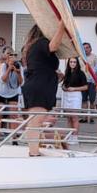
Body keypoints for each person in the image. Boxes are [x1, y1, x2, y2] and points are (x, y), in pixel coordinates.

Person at [21, 24, 65, 157]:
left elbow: (42, 67)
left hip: (39, 84)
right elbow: (54, 46)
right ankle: (33, 152)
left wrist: (55, 76)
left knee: (37, 119)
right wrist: (62, 25)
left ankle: (34, 150)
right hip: (39, 86)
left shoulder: (34, 46)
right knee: (36, 120)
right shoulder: (41, 43)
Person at [0, 48, 23, 136]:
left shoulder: (19, 66)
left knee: (13, 115)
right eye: (9, 55)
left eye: (13, 55)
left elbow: (21, 83)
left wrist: (18, 73)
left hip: (13, 92)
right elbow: (4, 80)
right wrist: (9, 68)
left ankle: (14, 138)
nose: (11, 57)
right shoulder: (3, 66)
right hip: (0, 91)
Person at [60, 56, 87, 136]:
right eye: (71, 62)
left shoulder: (81, 73)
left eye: (74, 62)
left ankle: (74, 137)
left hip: (76, 95)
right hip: (67, 95)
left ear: (77, 63)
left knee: (74, 117)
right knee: (68, 117)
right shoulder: (67, 73)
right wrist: (64, 87)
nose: (72, 64)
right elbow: (64, 84)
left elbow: (85, 87)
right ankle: (69, 136)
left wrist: (74, 89)